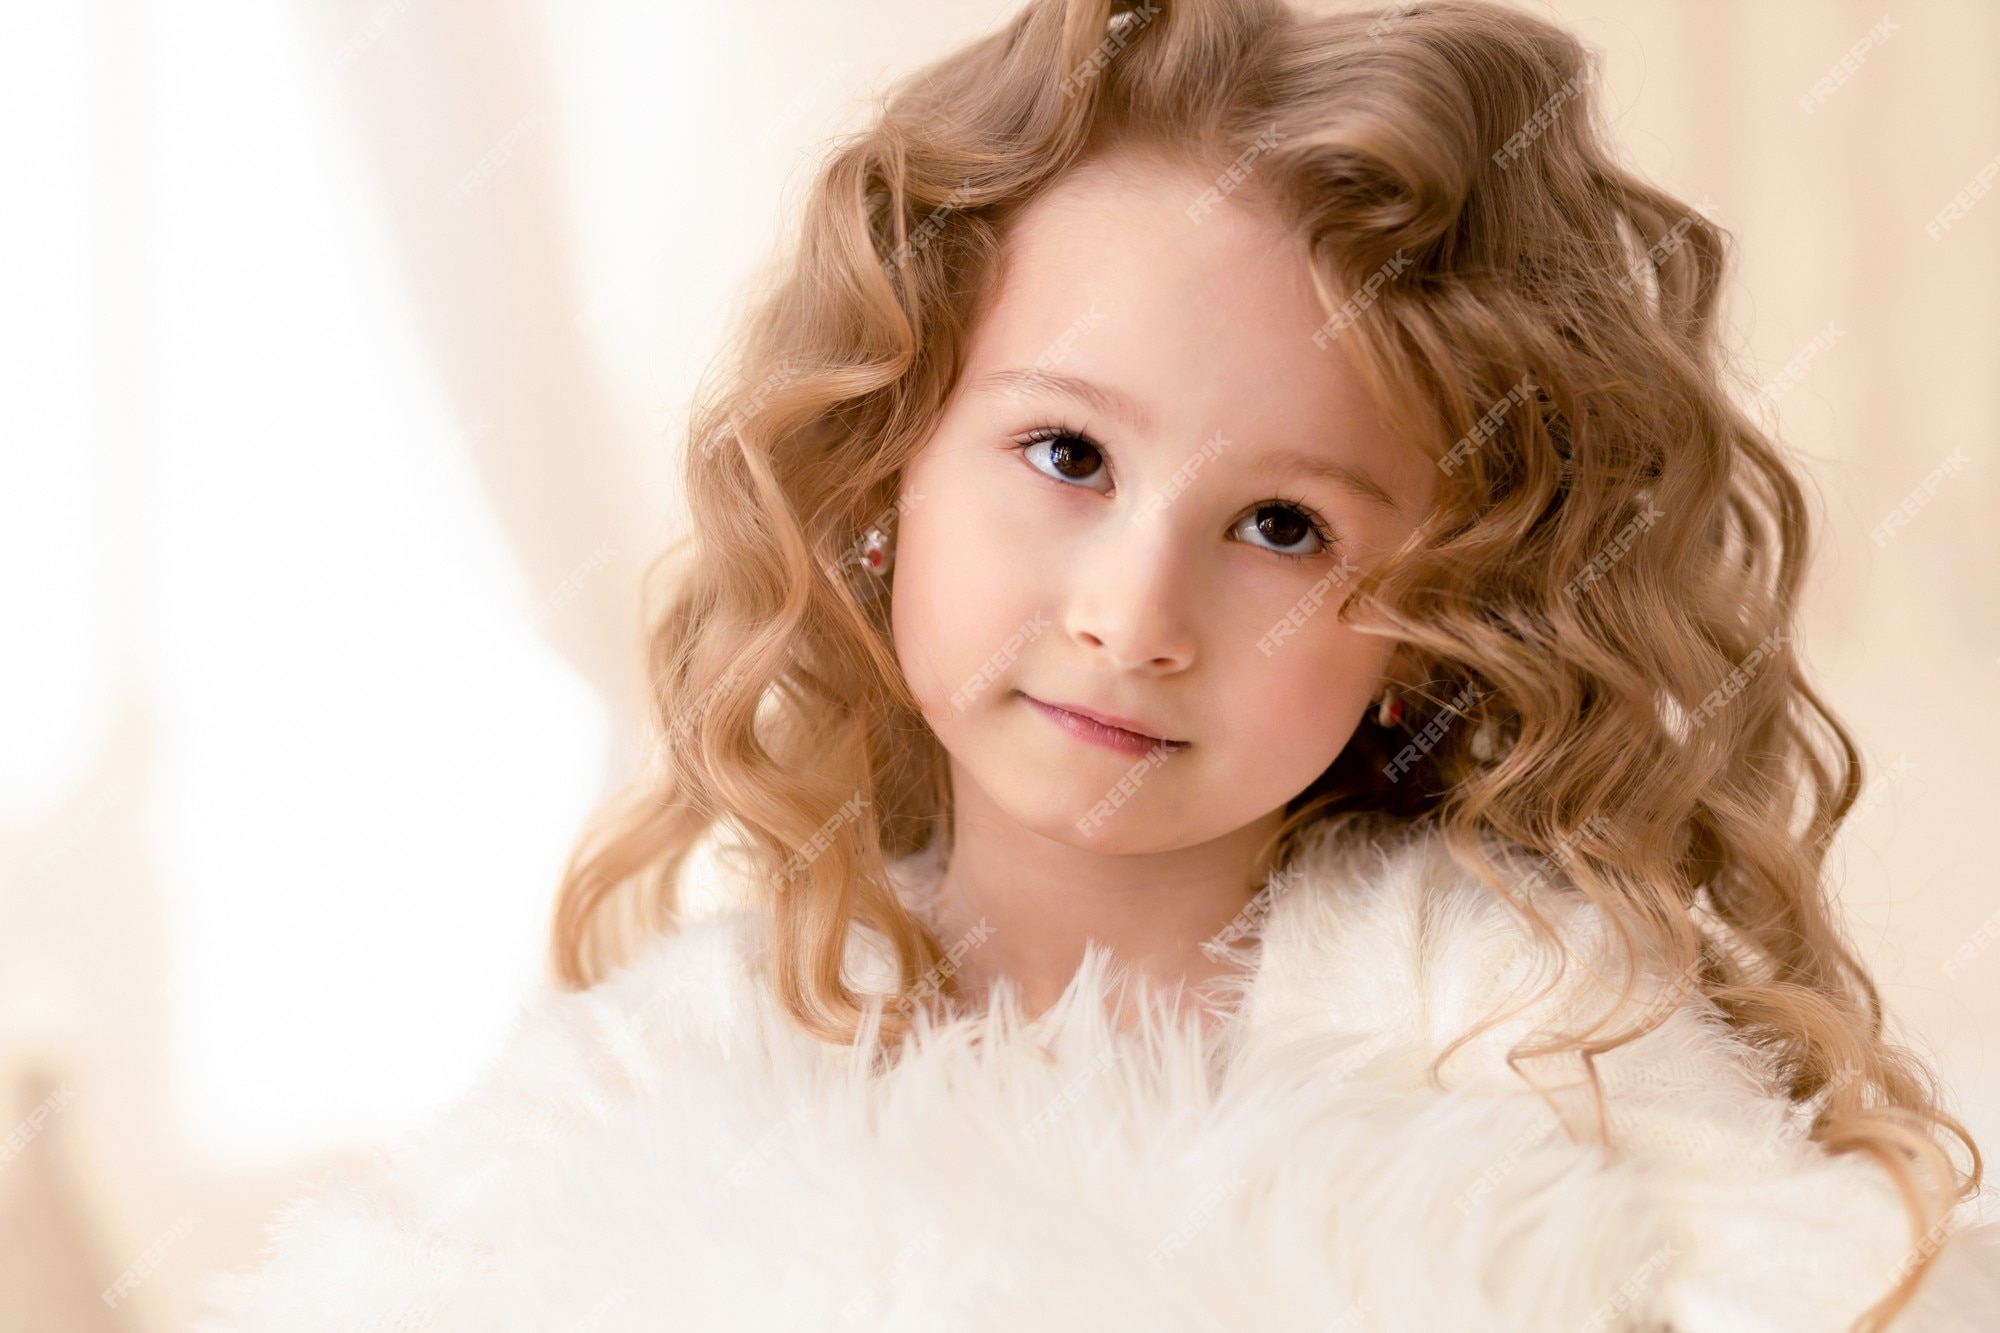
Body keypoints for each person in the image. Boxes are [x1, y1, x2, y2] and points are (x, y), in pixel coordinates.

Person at [194, 1, 2000, 1329]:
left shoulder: (1520, 1011)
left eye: (1284, 525)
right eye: (1068, 457)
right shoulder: (691, 1047)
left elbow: (1817, 1277)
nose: (1137, 614)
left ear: (1432, 620)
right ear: (884, 465)